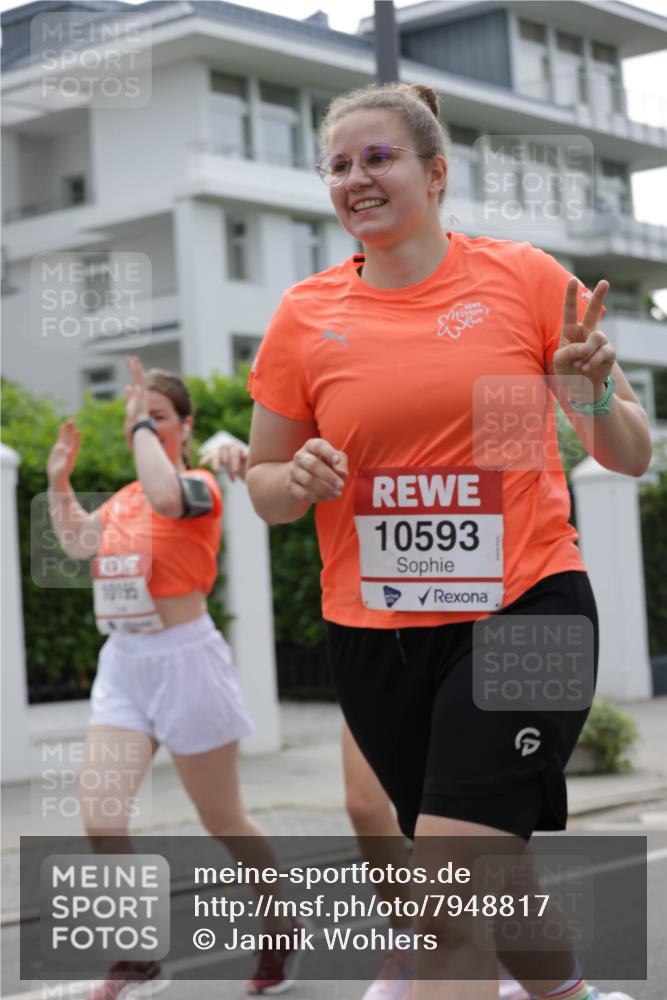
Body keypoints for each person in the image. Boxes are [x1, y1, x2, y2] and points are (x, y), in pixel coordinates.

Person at [243, 81, 651, 1000]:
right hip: (377, 635)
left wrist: (585, 390)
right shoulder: (303, 317)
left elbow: (625, 456)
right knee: (484, 876)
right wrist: (293, 477)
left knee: (445, 888)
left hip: (528, 608)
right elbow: (267, 491)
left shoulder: (524, 279)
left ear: (435, 172)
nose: (356, 178)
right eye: (338, 164)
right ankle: (568, 995)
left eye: (378, 157)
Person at [203, 435, 529, 1000]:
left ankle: (501, 950)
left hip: (477, 620)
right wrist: (267, 466)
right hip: (382, 632)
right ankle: (410, 939)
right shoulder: (317, 356)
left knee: (475, 814)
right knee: (363, 802)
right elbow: (275, 465)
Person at [47, 358, 307, 999]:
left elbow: (166, 496)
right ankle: (136, 959)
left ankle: (281, 925)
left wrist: (140, 426)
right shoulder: (126, 497)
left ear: (184, 427)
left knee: (224, 818)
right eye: (139, 416)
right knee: (101, 819)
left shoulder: (198, 487)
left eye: (158, 418)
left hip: (187, 662)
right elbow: (79, 542)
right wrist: (58, 481)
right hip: (125, 666)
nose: (143, 426)